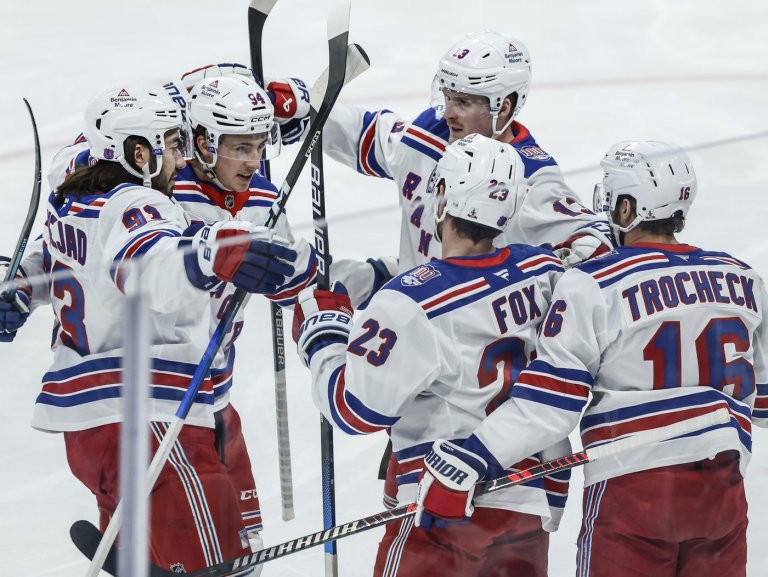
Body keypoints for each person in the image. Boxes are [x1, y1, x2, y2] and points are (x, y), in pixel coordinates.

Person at [414, 141, 768, 577]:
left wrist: (473, 456)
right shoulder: (742, 278)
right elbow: (765, 403)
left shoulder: (593, 283)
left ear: (625, 208)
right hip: (723, 495)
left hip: (636, 492)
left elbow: (550, 404)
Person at [0, 85, 300, 573]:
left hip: (98, 427)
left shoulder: (78, 184)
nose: (180, 161)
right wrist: (209, 253)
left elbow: (64, 252)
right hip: (150, 420)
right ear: (139, 153)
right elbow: (146, 265)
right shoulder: (139, 202)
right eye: (173, 145)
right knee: (224, 566)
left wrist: (16, 286)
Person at [322, 28, 615, 515]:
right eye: (448, 96)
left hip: (471, 399)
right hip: (418, 343)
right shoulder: (429, 135)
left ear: (507, 105)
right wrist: (302, 111)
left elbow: (594, 246)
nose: (450, 112)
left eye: (467, 101)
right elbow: (368, 134)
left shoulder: (530, 177)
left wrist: (533, 278)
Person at [292, 134, 572, 577]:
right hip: (525, 503)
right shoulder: (545, 271)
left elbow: (354, 411)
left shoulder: (411, 304)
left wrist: (322, 336)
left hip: (443, 505)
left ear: (442, 197)